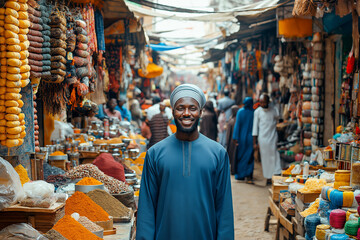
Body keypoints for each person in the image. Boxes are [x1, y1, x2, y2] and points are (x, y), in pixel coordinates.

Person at [137, 84, 234, 240]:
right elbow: (146, 208)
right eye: (180, 108)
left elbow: (224, 210)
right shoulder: (155, 154)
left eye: (193, 108)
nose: (186, 113)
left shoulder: (218, 154)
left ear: (201, 112)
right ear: (173, 112)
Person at [252, 94, 282, 183]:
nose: (262, 104)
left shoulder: (274, 110)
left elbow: (278, 119)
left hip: (273, 137)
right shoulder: (257, 112)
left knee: (275, 156)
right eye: (260, 102)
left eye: (264, 102)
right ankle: (268, 177)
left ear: (268, 102)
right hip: (263, 139)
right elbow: (255, 128)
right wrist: (255, 143)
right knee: (265, 159)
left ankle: (276, 174)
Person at [233, 97, 254, 182]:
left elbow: (237, 125)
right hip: (251, 138)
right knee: (249, 156)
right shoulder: (254, 112)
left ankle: (241, 175)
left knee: (241, 156)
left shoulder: (240, 112)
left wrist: (235, 137)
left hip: (241, 137)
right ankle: (248, 174)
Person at [225, 105, 239, 175]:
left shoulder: (233, 119)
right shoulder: (234, 118)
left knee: (233, 156)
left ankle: (233, 170)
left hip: (232, 141)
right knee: (232, 156)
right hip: (232, 141)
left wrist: (227, 141)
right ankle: (233, 169)